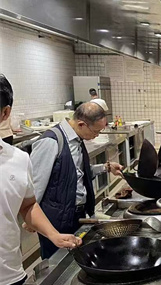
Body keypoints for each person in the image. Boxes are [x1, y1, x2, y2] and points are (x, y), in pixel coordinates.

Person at [0, 75, 82, 285]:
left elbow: (27, 205)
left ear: (5, 113)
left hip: (9, 277)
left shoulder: (18, 159)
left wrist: (53, 235)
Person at [30, 102, 122, 259]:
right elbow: (34, 185)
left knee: (75, 260)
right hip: (56, 220)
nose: (97, 135)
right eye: (96, 131)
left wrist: (105, 167)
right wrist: (32, 218)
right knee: (56, 263)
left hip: (75, 214)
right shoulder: (51, 142)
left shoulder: (76, 140)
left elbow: (74, 174)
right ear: (81, 124)